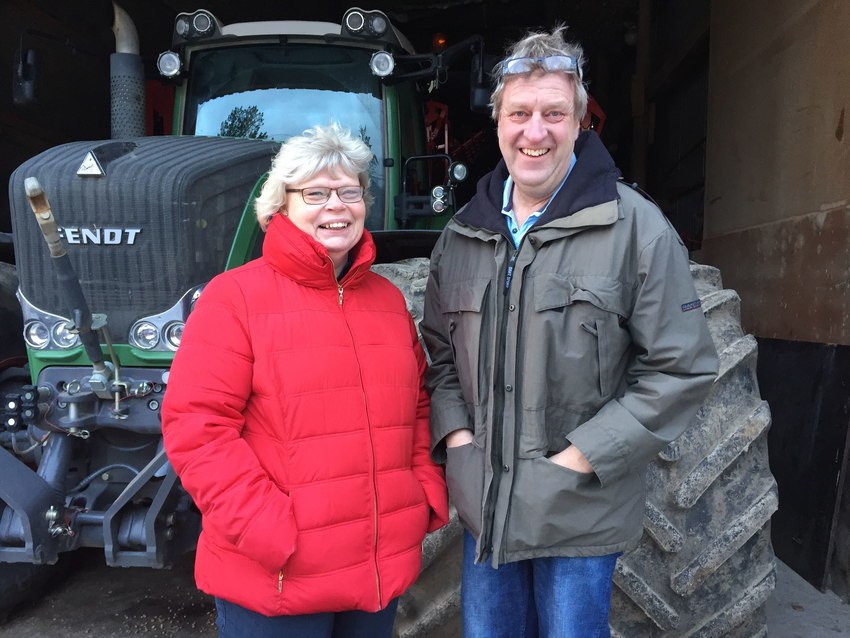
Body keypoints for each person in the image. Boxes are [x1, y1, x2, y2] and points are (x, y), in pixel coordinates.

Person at [420, 27, 719, 638]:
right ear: (498, 122)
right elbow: (440, 355)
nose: (535, 132)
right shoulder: (462, 235)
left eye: (554, 113)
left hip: (580, 515)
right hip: (487, 511)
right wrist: (458, 439)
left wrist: (583, 458)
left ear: (581, 122)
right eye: (520, 113)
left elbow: (680, 366)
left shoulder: (636, 228)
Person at [162, 123, 449, 638]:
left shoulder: (387, 302)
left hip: (377, 571)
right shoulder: (235, 299)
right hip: (280, 580)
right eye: (315, 193)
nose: (336, 206)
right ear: (281, 206)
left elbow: (418, 407)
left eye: (349, 192)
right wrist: (268, 531)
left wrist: (420, 493)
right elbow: (197, 429)